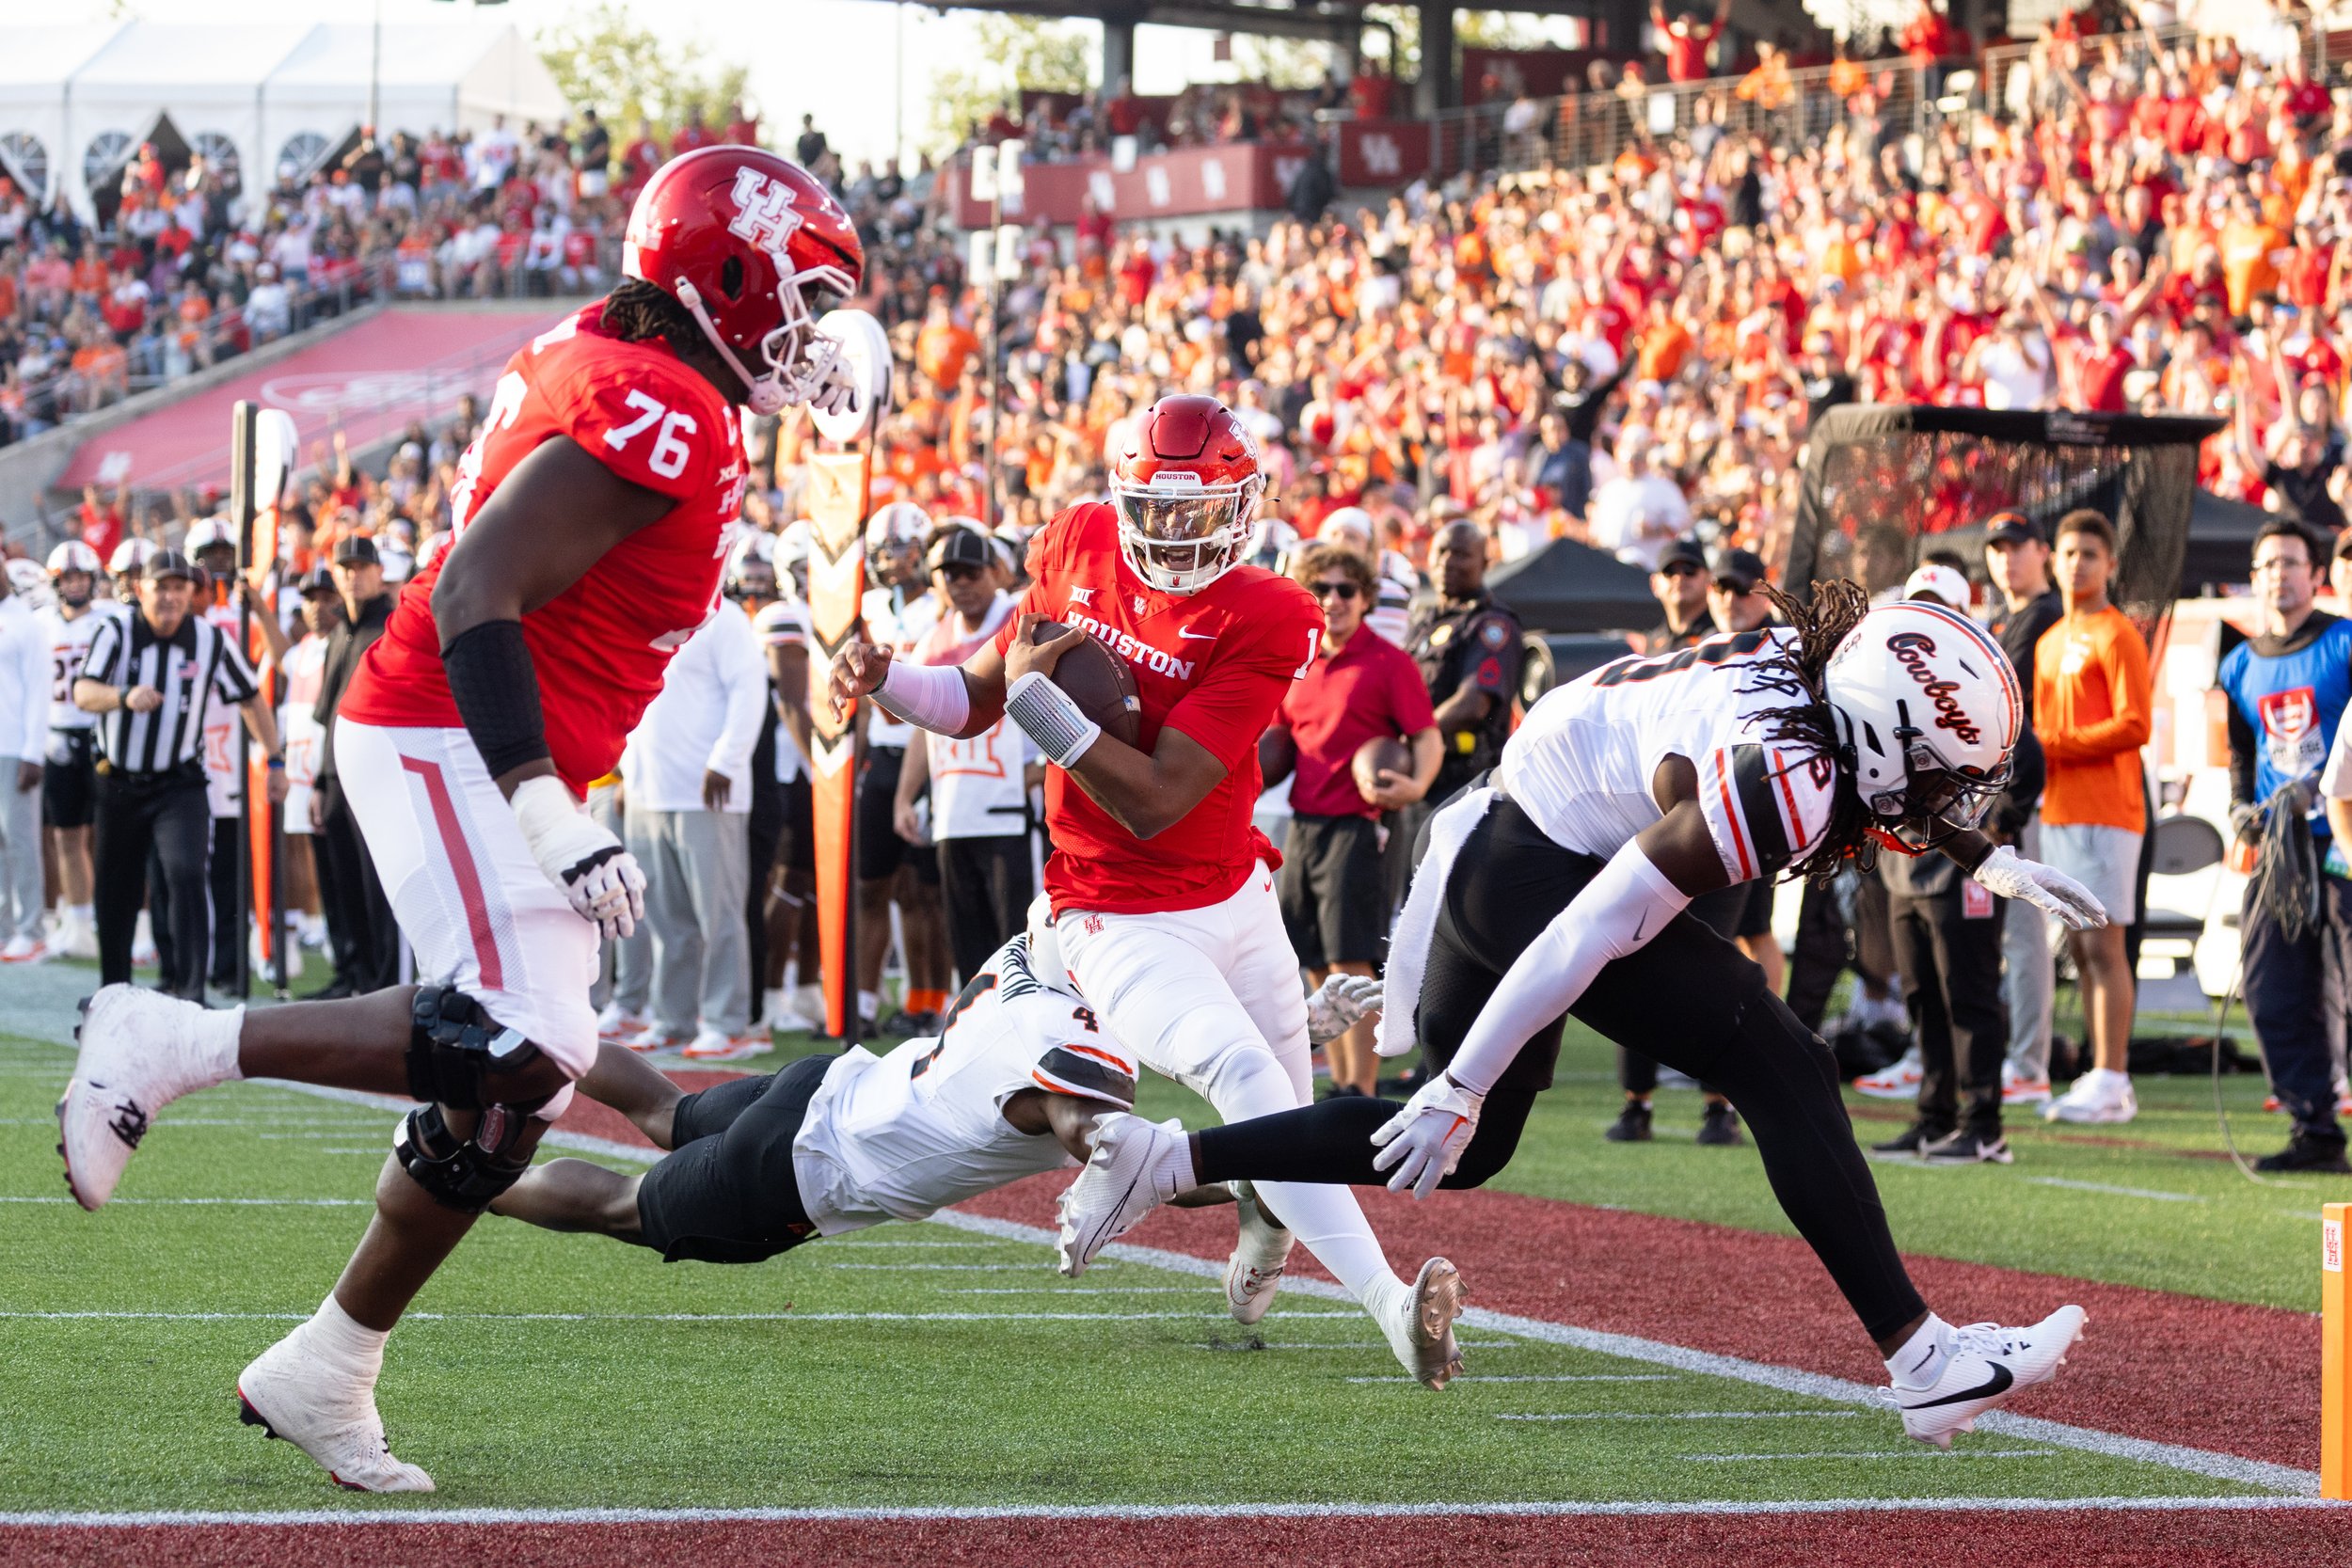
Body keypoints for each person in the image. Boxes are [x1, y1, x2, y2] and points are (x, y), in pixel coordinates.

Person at [58, 147, 869, 1493]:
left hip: (498, 729)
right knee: (525, 1032)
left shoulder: (637, 362)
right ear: (721, 283)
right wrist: (540, 798)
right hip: (451, 718)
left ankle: (327, 1365)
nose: (806, 332)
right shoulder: (661, 397)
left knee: (513, 1091)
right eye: (796, 297)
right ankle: (171, 1038)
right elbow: (478, 586)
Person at [1058, 585, 2106, 1450]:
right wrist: (1460, 1079)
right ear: (1878, 737)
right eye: (1942, 779)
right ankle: (1922, 1359)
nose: (1951, 798)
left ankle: (1159, 1161)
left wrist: (1988, 856)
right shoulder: (1777, 777)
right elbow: (1585, 932)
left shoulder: (1825, 672)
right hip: (1532, 872)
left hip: (1520, 836)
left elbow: (1886, 777)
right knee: (1778, 1061)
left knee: (1466, 1153)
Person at [831, 391, 1470, 1387]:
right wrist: (886, 676)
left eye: (1198, 511)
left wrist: (1044, 712)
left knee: (1289, 1135)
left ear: (1243, 504)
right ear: (1118, 497)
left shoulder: (1267, 610)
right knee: (1246, 1079)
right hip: (1113, 908)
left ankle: (1262, 1242)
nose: (1176, 534)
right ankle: (1392, 1306)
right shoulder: (1075, 543)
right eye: (1155, 510)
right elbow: (973, 696)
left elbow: (1161, 799)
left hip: (1231, 892)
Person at [494, 918, 1379, 1265]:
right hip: (809, 1168)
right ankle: (469, 1179)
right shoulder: (1083, 1056)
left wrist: (1293, 1022)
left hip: (829, 1085)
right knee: (623, 1205)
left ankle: (523, 1029)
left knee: (666, 1111)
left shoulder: (1046, 944)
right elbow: (1127, 1150)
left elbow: (1165, 1019)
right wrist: (1253, 1177)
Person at [1265, 544, 1439, 1098]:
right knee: (1313, 958)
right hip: (1304, 824)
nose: (1333, 601)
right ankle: (1340, 1082)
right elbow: (1277, 740)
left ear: (1365, 599)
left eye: (1346, 590)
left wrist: (1417, 786)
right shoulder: (1298, 663)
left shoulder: (1389, 662)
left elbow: (1426, 736)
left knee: (1351, 959)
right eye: (1322, 590)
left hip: (1360, 826)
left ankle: (1362, 1090)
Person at [72, 549, 284, 998]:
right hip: (120, 781)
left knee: (187, 873)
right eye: (160, 586)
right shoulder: (116, 630)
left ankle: (191, 994)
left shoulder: (209, 639)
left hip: (179, 782)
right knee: (117, 890)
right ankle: (114, 993)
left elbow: (249, 697)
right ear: (140, 589)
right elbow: (83, 691)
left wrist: (275, 758)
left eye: (178, 587)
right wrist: (123, 696)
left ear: (192, 592)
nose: (169, 597)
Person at [1869, 562, 2014, 1164]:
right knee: (1923, 996)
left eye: (1939, 609)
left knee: (1970, 995)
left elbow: (2020, 763)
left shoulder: (1987, 682)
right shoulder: (1881, 682)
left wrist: (1992, 828)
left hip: (1964, 865)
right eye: (1918, 607)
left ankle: (1984, 1124)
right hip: (1904, 867)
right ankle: (1934, 1116)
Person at [2229, 521, 2352, 1172]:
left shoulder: (2345, 641)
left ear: (2314, 572)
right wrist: (2239, 806)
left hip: (2345, 841)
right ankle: (2315, 1130)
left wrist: (2322, 785)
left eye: (2291, 561)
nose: (2280, 572)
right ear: (2254, 576)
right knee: (2271, 985)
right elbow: (2242, 750)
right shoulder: (2238, 663)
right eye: (2267, 562)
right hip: (2280, 853)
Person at [614, 592, 768, 1061]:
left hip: (707, 789)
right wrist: (627, 770)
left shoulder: (724, 616)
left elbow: (750, 687)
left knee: (717, 914)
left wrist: (727, 759)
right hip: (650, 789)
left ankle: (727, 1022)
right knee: (664, 918)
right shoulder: (642, 609)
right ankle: (672, 1018)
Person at [2036, 511, 2152, 1125]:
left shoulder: (2117, 633)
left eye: (2089, 552)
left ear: (2110, 564)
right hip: (2059, 808)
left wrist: (2053, 743)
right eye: (2069, 552)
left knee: (2105, 946)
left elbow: (2137, 723)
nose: (2077, 562)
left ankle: (2113, 1075)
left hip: (2107, 810)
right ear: (2053, 561)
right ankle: (2101, 1073)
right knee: (2081, 948)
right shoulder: (2051, 639)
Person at [893, 525, 1033, 987]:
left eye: (970, 572)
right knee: (967, 940)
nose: (960, 583)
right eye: (949, 574)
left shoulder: (1021, 619)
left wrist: (1042, 770)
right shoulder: (936, 638)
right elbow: (921, 725)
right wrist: (905, 796)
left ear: (995, 572)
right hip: (953, 808)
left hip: (1013, 810)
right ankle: (978, 1027)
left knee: (1018, 939)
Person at [859, 499, 953, 1037]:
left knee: (926, 892)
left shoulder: (940, 611)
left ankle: (930, 999)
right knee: (874, 886)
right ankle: (864, 1004)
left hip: (926, 753)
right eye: (884, 553)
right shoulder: (867, 606)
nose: (892, 562)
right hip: (881, 756)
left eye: (901, 551)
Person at [1984, 513, 2062, 1106]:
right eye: (1997, 549)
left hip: (2037, 793)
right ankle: (2025, 1057)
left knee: (2024, 930)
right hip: (2013, 793)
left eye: (2017, 548)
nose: (2006, 559)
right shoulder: (2009, 619)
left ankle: (2030, 1061)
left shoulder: (2047, 616)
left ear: (2042, 551)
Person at [307, 535, 397, 1000]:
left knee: (375, 881)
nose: (352, 575)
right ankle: (354, 973)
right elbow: (329, 713)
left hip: (380, 773)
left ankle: (383, 982)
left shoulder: (392, 625)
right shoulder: (340, 631)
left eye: (361, 566)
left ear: (379, 572)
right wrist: (321, 782)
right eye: (344, 567)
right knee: (341, 877)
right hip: (339, 774)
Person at [37, 541, 107, 961]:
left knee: (108, 833)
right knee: (66, 834)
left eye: (82, 578)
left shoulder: (109, 620)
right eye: (69, 578)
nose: (77, 585)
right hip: (58, 734)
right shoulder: (40, 624)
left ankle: (116, 919)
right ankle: (78, 921)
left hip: (100, 735)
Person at [0, 554, 47, 962]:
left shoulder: (23, 621)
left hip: (14, 745)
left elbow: (39, 689)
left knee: (20, 841)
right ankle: (3, 930)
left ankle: (31, 928)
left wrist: (34, 751)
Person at [1640, 538, 1711, 655]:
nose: (1679, 578)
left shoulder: (1722, 634)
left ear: (1709, 578)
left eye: (1689, 570)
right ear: (1654, 584)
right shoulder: (1652, 642)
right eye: (1669, 572)